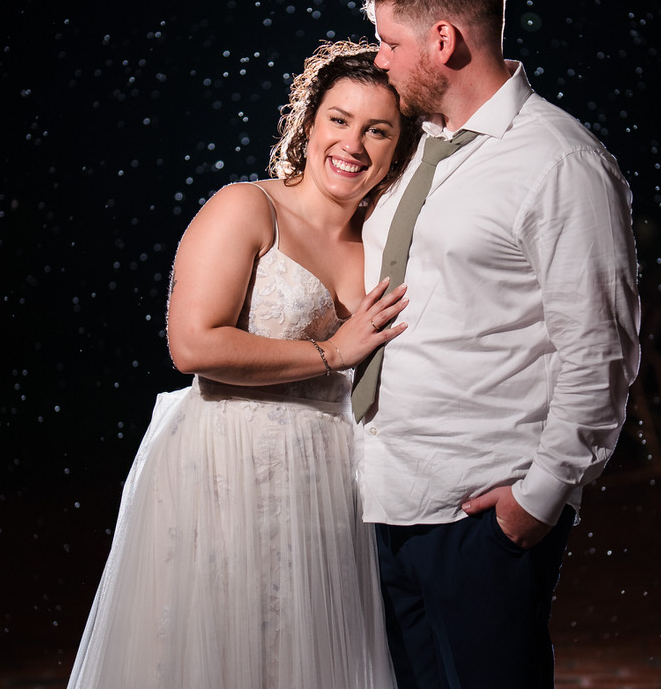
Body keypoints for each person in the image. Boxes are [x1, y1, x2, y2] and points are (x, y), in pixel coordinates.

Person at [67, 41, 418, 689]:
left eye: (378, 130)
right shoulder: (247, 208)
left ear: (399, 145)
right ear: (309, 121)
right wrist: (332, 353)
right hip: (229, 464)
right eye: (340, 119)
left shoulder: (382, 243)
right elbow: (193, 345)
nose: (354, 145)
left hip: (332, 479)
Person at [354, 0, 641, 688]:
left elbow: (600, 348)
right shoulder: (426, 150)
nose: (379, 62)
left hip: (478, 514)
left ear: (443, 41)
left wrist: (538, 499)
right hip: (386, 500)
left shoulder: (559, 161)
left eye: (390, 42)